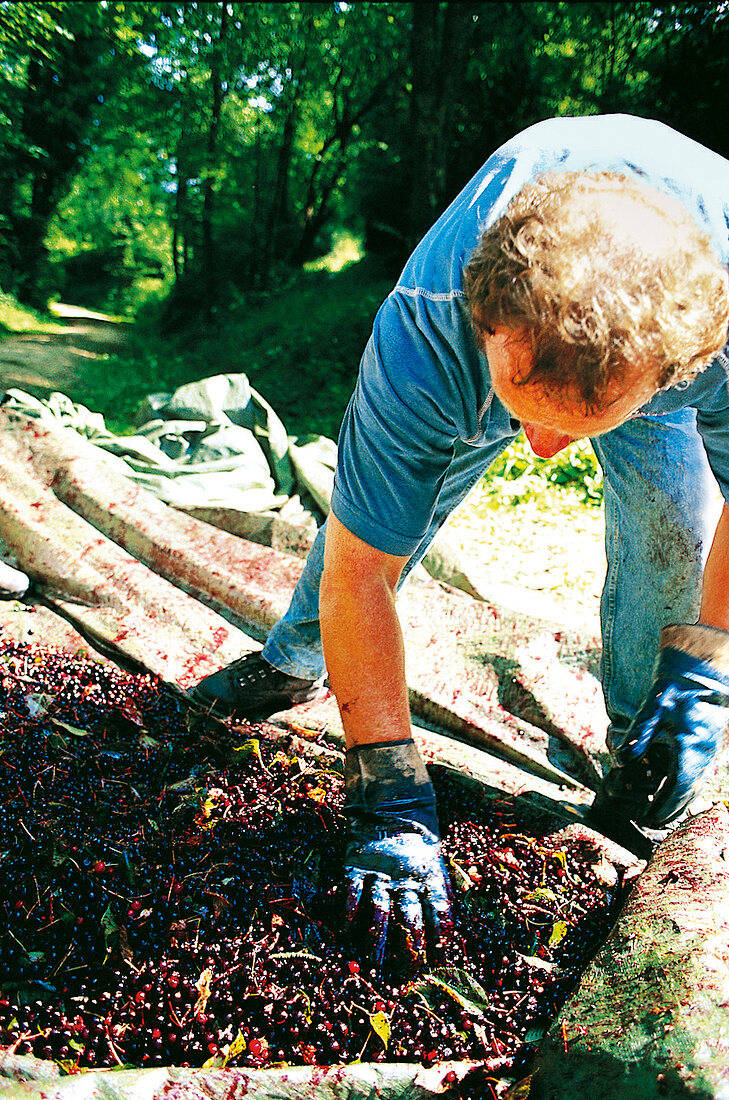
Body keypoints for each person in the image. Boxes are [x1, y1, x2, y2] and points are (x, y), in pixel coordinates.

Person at [192, 114, 729, 963]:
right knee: (373, 520)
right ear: (484, 326)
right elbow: (360, 570)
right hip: (487, 346)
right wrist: (388, 787)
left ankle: (642, 746)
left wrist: (702, 666)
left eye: (574, 428)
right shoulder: (430, 332)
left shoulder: (713, 349)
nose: (542, 450)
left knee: (673, 525)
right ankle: (295, 658)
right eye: (527, 416)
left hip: (659, 335)